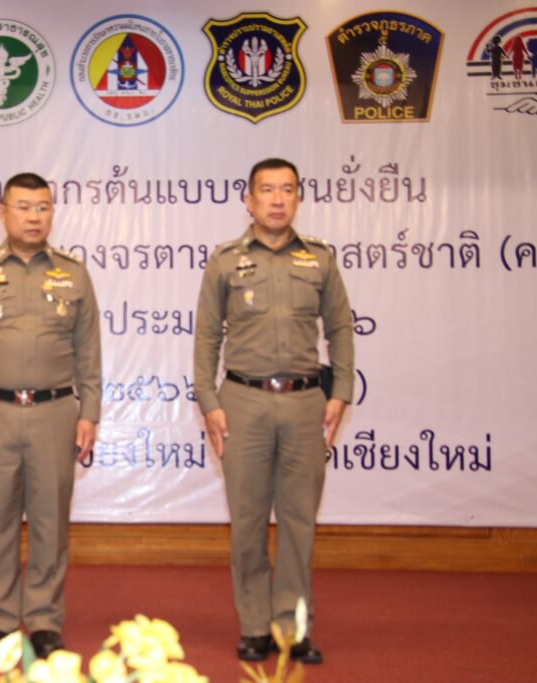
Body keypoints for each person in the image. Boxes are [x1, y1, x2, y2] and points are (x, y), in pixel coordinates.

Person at [193, 158, 354, 664]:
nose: (278, 199)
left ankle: (292, 627)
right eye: (267, 190)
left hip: (306, 404)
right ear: (249, 200)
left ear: (299, 197)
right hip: (244, 402)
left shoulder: (319, 259)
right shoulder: (225, 261)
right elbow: (206, 336)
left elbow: (341, 329)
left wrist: (340, 392)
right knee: (247, 522)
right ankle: (254, 626)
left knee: (299, 522)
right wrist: (209, 401)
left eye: (287, 189)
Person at [0, 172, 102, 659]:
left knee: (51, 522)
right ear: (2, 213)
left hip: (55, 412)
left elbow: (88, 352)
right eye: (24, 207)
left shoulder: (73, 273)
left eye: (43, 207)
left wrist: (89, 413)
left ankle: (44, 619)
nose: (34, 217)